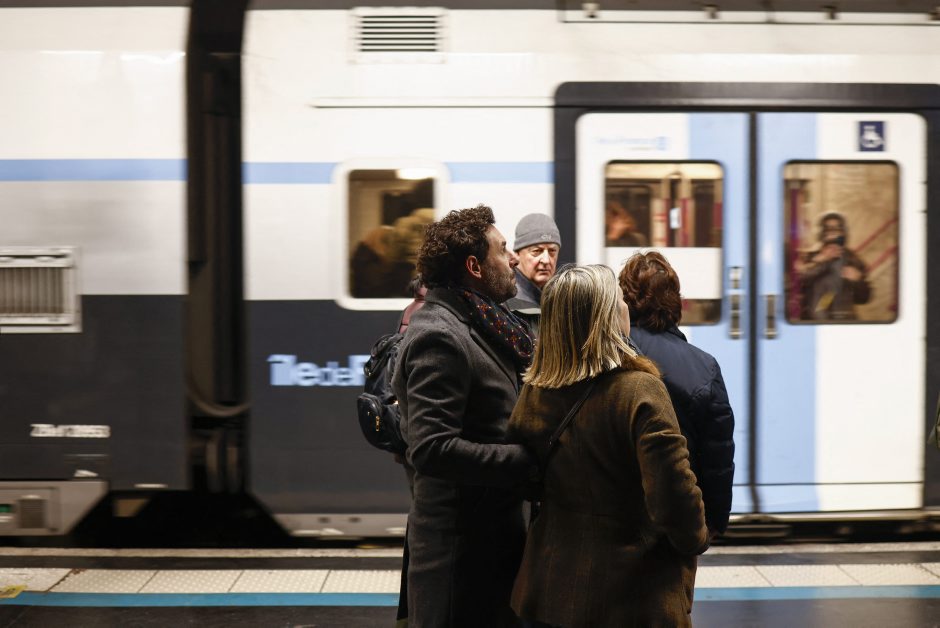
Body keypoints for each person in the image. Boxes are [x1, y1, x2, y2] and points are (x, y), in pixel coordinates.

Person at [508, 264, 707, 628]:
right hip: (631, 593)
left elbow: (524, 475)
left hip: (548, 588)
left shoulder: (535, 390)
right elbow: (673, 495)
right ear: (607, 317)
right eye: (619, 300)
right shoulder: (640, 390)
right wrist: (695, 539)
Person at [391, 204, 538, 628]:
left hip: (491, 546)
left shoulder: (486, 322)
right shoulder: (439, 336)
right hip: (460, 560)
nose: (514, 260)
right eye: (503, 250)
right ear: (475, 266)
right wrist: (526, 461)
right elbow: (432, 449)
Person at [618, 251, 735, 539]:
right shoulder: (704, 367)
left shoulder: (607, 356)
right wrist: (714, 521)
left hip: (618, 516)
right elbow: (717, 455)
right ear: (675, 301)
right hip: (677, 516)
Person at [796, 211, 871, 320]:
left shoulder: (853, 259)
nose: (833, 233)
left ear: (843, 232)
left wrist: (858, 281)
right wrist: (820, 260)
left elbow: (863, 299)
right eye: (828, 229)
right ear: (822, 233)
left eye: (837, 229)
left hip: (844, 321)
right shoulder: (810, 257)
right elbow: (799, 284)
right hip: (814, 322)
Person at [504, 213, 562, 335]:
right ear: (517, 254)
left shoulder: (561, 300)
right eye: (537, 251)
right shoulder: (505, 300)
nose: (546, 260)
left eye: (552, 251)